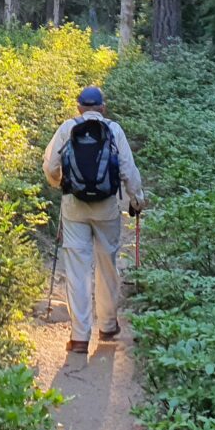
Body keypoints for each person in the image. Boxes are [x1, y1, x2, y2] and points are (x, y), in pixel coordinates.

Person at [43, 85, 145, 354]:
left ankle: (79, 337)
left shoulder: (67, 128)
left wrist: (61, 184)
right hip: (107, 208)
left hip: (74, 207)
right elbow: (128, 170)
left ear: (78, 108)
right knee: (106, 264)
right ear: (103, 107)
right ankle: (108, 325)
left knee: (77, 269)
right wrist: (137, 200)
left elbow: (50, 167)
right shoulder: (114, 130)